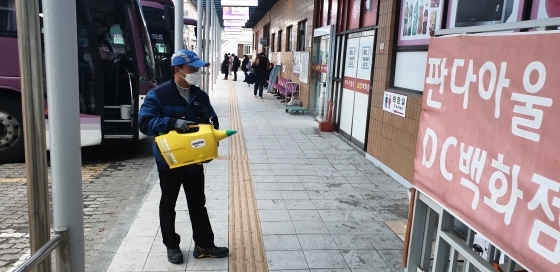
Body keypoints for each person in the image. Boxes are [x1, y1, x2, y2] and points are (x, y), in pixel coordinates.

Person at [138, 49, 229, 264]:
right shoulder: (158, 95)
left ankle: (204, 245)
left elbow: (212, 122)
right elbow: (144, 123)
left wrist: (209, 143)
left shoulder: (199, 96)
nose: (197, 72)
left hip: (194, 160)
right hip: (169, 160)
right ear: (178, 70)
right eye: (192, 69)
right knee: (168, 204)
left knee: (198, 203)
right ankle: (172, 246)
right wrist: (172, 122)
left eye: (197, 68)